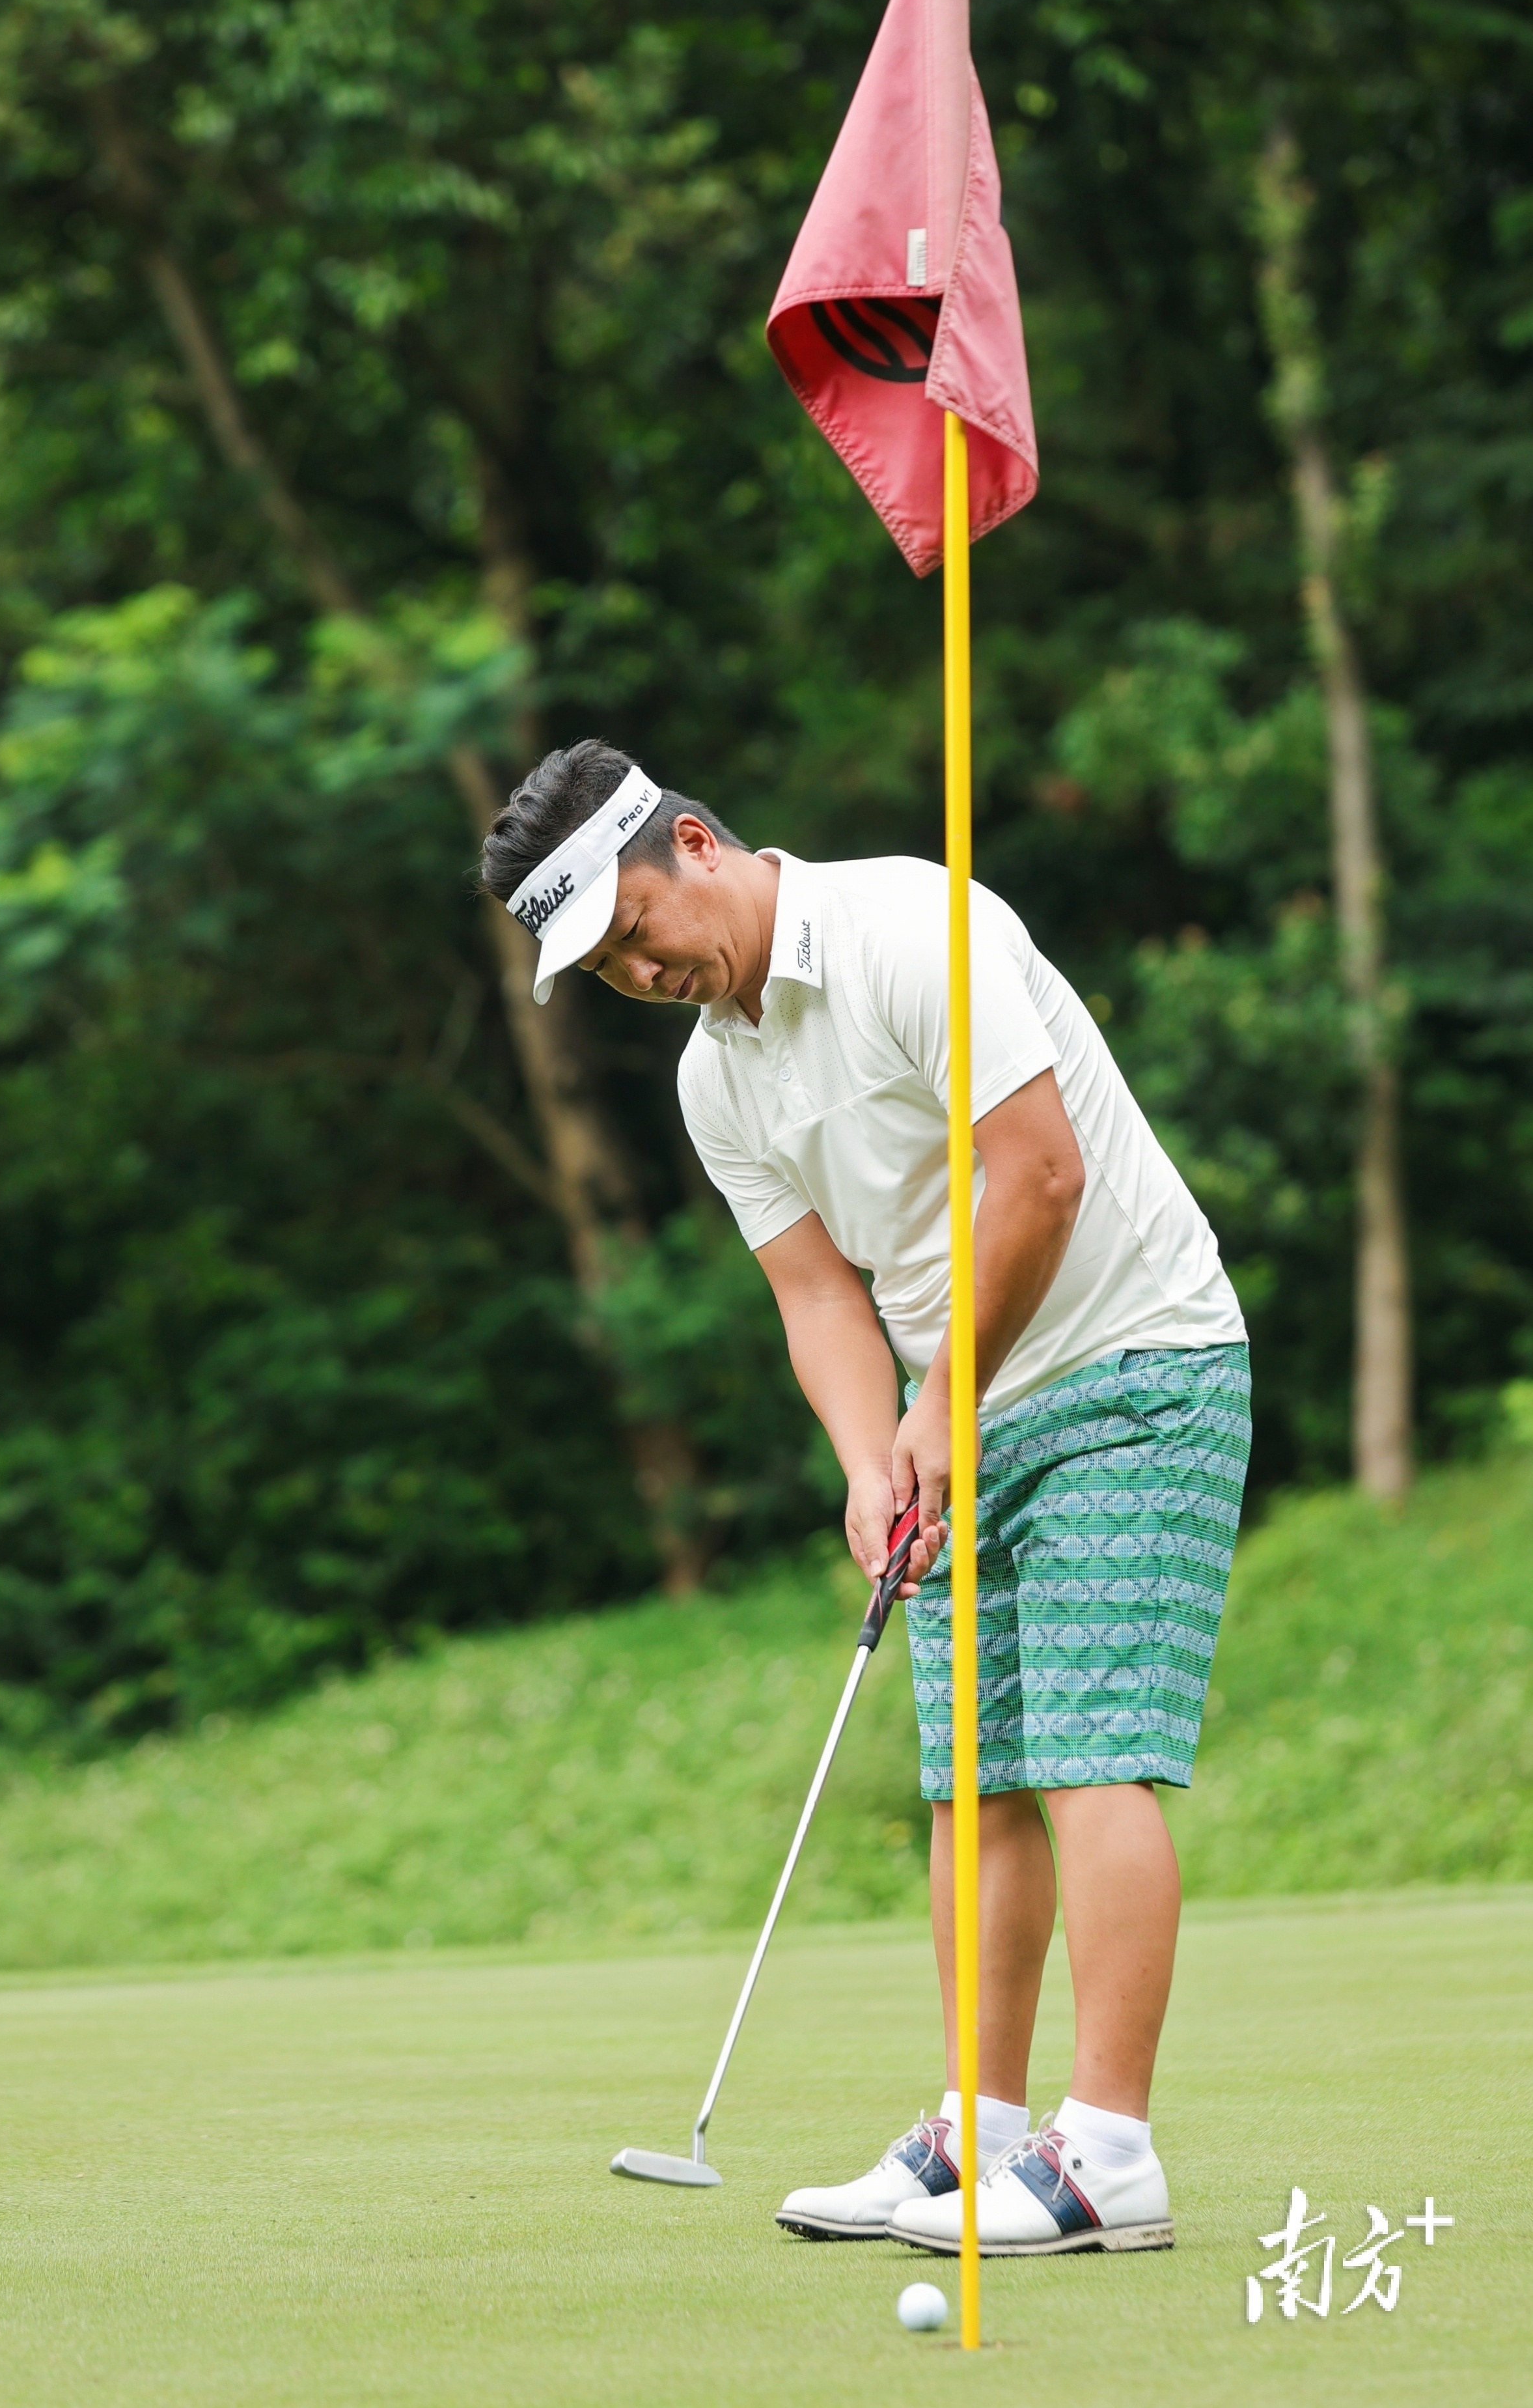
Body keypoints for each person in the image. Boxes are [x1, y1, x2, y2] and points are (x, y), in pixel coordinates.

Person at [480, 740, 1250, 2258]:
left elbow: (1037, 1175)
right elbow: (816, 1294)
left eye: (637, 927)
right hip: (957, 1408)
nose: (639, 970)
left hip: (1133, 1359)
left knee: (1092, 1744)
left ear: (693, 842)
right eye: (603, 965)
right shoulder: (718, 1077)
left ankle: (1109, 2154)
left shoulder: (911, 926)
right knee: (972, 1779)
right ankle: (984, 2130)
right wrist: (869, 1457)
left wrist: (941, 1400)